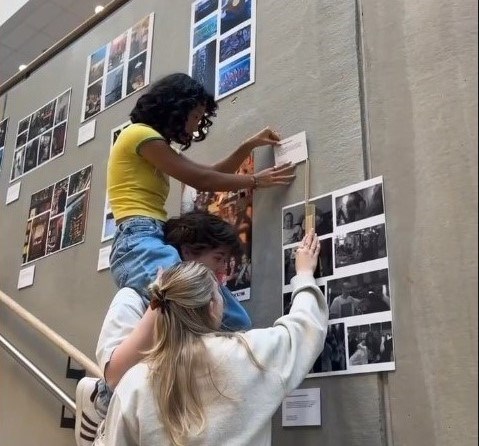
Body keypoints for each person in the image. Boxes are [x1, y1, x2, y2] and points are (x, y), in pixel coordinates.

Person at [94, 230, 328, 446]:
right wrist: (304, 274)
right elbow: (304, 328)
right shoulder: (251, 354)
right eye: (219, 292)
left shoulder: (134, 384)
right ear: (211, 306)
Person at [107, 72, 295, 306]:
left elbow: (213, 172)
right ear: (176, 109)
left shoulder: (154, 142)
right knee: (202, 303)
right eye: (195, 116)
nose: (197, 124)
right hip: (138, 236)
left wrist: (248, 146)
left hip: (152, 234)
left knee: (231, 315)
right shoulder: (139, 134)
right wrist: (255, 180)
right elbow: (202, 180)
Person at [76, 212, 253, 445]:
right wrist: (160, 308)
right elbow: (115, 374)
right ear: (187, 253)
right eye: (218, 258)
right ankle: (99, 399)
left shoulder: (214, 308)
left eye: (226, 262)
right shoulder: (131, 300)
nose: (222, 271)